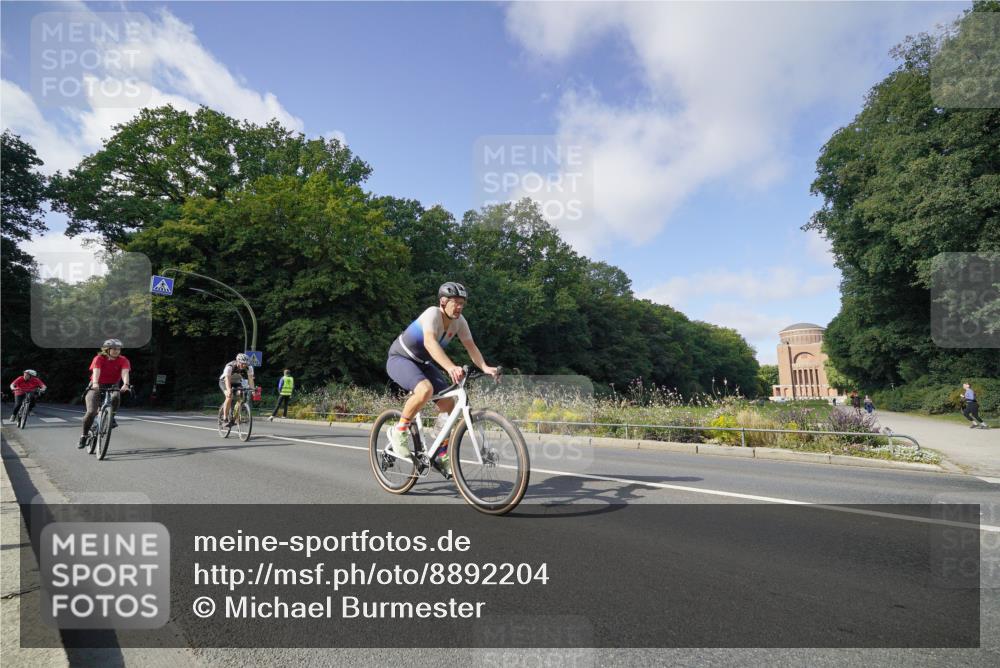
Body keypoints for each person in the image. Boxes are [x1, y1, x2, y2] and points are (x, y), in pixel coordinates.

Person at [385, 282, 498, 477]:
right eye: (455, 302)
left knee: (450, 404)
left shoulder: (460, 321)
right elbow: (429, 342)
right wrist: (450, 367)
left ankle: (440, 451)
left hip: (423, 363)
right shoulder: (432, 314)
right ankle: (399, 430)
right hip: (400, 358)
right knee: (425, 390)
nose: (460, 307)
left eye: (462, 303)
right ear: (443, 302)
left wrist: (486, 367)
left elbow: (471, 347)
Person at [79, 339, 131, 448]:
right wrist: (95, 383)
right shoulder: (99, 358)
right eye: (114, 349)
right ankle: (83, 436)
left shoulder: (123, 360)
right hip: (96, 384)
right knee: (91, 412)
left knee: (116, 396)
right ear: (107, 349)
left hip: (113, 385)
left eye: (118, 349)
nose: (117, 351)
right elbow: (96, 371)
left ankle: (111, 417)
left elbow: (125, 372)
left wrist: (126, 384)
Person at [219, 353, 256, 425]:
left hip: (236, 382)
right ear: (237, 361)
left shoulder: (249, 367)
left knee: (240, 395)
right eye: (242, 363)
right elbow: (227, 380)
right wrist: (229, 390)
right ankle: (225, 418)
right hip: (224, 381)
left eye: (245, 364)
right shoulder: (230, 367)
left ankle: (235, 415)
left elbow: (251, 379)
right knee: (229, 396)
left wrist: (253, 390)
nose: (243, 365)